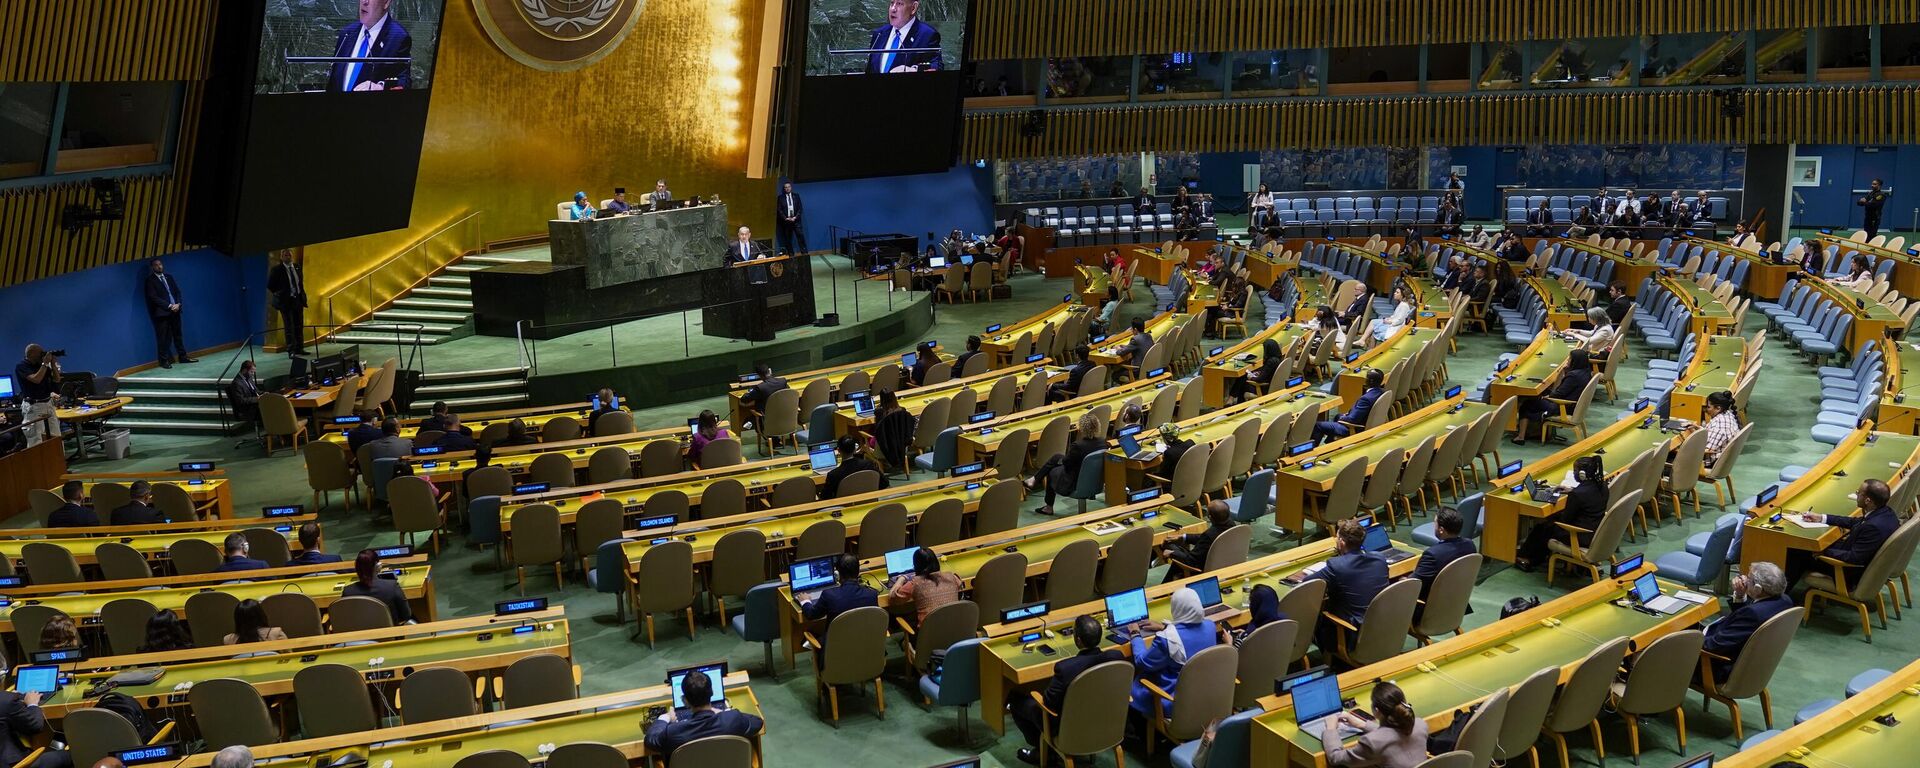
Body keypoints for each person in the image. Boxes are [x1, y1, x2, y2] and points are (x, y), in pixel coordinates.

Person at [1008, 614, 1124, 764]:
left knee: (1016, 700)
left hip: (1070, 731)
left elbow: (1048, 705)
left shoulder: (1066, 668)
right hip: (1106, 724)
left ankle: (1044, 751)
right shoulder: (1116, 657)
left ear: (1077, 640)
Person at [1127, 587, 1221, 719]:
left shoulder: (1166, 640)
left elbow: (1141, 662)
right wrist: (1165, 627)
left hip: (1174, 701)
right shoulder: (1211, 626)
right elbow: (1188, 632)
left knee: (1134, 683)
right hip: (1205, 694)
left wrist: (1135, 634)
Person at [1789, 478, 1899, 586]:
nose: (1856, 494)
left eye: (1859, 493)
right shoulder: (1886, 513)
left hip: (1846, 571)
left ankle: (1783, 594)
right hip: (1856, 554)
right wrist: (1821, 517)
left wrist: (1823, 551)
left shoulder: (1872, 527)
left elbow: (1854, 558)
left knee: (1797, 551)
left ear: (1867, 500)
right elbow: (1854, 522)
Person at [1306, 518, 1390, 659]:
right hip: (1382, 626)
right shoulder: (1380, 559)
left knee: (1317, 615)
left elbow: (1307, 583)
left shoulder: (1337, 566)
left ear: (1342, 542)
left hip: (1351, 634)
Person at [1699, 562, 1794, 681]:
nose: (1743, 580)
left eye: (1748, 579)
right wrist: (1740, 595)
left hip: (1715, 665)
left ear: (1758, 588)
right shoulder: (1785, 601)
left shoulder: (1753, 614)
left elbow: (1714, 646)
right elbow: (1744, 625)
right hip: (1746, 659)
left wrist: (1690, 642)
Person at [643, 666, 765, 758]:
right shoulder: (732, 719)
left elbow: (650, 740)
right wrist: (725, 712)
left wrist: (664, 718)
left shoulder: (673, 731)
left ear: (685, 701)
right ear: (712, 693)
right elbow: (757, 722)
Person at [1516, 455, 1608, 570]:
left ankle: (1527, 558)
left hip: (1579, 536)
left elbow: (1566, 520)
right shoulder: (1603, 486)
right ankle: (1537, 555)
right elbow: (1588, 497)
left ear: (1582, 474)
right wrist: (1572, 491)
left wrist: (1553, 516)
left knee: (1543, 527)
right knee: (1549, 524)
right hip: (1595, 531)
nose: (1574, 473)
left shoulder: (1578, 494)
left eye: (1575, 470)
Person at [1323, 682, 1429, 768]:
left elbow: (1336, 758)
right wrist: (1361, 724)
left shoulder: (1372, 742)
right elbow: (1391, 734)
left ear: (1376, 711)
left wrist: (1331, 729)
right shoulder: (1420, 724)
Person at [803, 554, 879, 668]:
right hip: (866, 653)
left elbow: (811, 615)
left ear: (837, 574)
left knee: (812, 637)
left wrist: (805, 602)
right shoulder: (872, 595)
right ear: (858, 572)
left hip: (835, 656)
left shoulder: (829, 595)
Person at [1027, 412, 1105, 515]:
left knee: (1051, 470)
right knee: (1056, 457)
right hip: (1095, 481)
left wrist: (1061, 462)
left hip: (1075, 482)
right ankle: (1034, 479)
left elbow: (1067, 464)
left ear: (1081, 428)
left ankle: (1048, 506)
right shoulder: (1103, 442)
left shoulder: (1077, 446)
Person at [1511, 348, 1593, 445]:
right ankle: (1532, 430)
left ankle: (1521, 437)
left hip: (1562, 407)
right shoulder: (1587, 372)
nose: (1568, 361)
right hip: (1574, 406)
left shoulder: (1573, 376)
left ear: (1575, 361)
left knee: (1527, 403)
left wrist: (1547, 396)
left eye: (1570, 359)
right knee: (1539, 397)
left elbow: (1558, 393)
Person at [328, 0, 409, 91]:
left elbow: (404, 82)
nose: (364, 1)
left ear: (386, 3)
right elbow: (333, 82)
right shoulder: (347, 33)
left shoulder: (398, 37)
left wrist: (381, 87)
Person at [0, 664, 69, 768]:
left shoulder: (6, 699)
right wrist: (32, 704)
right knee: (70, 755)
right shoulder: (6, 700)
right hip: (16, 764)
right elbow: (35, 726)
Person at [1412, 508, 1476, 613]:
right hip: (1457, 605)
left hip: (1431, 611)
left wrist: (1401, 580)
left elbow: (1413, 585)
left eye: (1435, 524)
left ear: (1441, 529)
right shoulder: (1470, 545)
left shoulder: (1432, 554)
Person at [888, 547, 964, 624]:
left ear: (916, 566)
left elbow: (893, 598)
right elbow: (961, 586)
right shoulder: (952, 577)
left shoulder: (915, 583)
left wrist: (902, 578)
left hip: (929, 633)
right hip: (955, 629)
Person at [1162, 501, 1233, 583]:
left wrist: (1171, 553)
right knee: (1177, 552)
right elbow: (1207, 538)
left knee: (1175, 557)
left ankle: (1162, 591)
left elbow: (1191, 561)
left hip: (1204, 567)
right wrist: (1184, 537)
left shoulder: (1209, 535)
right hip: (1226, 560)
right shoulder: (1231, 524)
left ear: (1209, 517)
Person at [865, 0, 941, 73]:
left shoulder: (927, 35)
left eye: (899, 3)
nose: (893, 9)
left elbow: (937, 68)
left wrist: (914, 70)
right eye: (892, 3)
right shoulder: (879, 34)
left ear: (913, 8)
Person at [1313, 368, 1386, 444]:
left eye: (1366, 378)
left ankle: (1313, 452)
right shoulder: (1381, 392)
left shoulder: (1366, 399)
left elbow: (1352, 420)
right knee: (1337, 416)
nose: (1365, 379)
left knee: (1318, 425)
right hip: (1364, 420)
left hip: (1354, 428)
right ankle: (1330, 443)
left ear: (1371, 381)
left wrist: (1344, 417)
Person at [143, 258, 192, 368]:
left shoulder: (169, 277)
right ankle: (163, 361)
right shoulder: (150, 281)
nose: (159, 266)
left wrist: (178, 304)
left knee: (178, 335)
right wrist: (169, 306)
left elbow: (177, 291)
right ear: (152, 267)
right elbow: (153, 297)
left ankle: (182, 357)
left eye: (160, 264)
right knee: (163, 338)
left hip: (176, 311)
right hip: (162, 314)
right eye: (156, 265)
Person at [342, 548, 414, 623]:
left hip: (359, 633)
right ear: (378, 566)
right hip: (390, 633)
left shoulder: (347, 592)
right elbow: (406, 615)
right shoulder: (391, 586)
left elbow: (344, 618)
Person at [14, 344, 62, 446]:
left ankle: (58, 460)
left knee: (56, 436)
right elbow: (36, 379)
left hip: (48, 403)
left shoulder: (41, 365)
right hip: (34, 406)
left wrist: (53, 364)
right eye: (40, 353)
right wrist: (44, 364)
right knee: (36, 438)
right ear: (31, 353)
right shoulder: (22, 366)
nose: (42, 354)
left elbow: (57, 379)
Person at [267, 250, 308, 355]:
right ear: (281, 257)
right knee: (289, 327)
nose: (288, 257)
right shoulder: (277, 270)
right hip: (285, 302)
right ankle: (291, 350)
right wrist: (281, 293)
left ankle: (300, 348)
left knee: (299, 325)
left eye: (289, 255)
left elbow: (300, 283)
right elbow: (270, 285)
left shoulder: (297, 267)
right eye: (285, 255)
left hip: (298, 300)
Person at [821, 435, 888, 499]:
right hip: (869, 503)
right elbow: (884, 483)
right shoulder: (869, 465)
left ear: (838, 450)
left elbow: (825, 497)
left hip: (844, 508)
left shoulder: (833, 475)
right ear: (855, 449)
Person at [1230, 338, 1285, 403]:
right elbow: (1267, 373)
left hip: (1263, 388)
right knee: (1244, 377)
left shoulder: (1271, 362)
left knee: (1243, 378)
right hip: (1271, 384)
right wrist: (1259, 373)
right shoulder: (1278, 358)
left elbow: (1259, 380)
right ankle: (1232, 398)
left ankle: (1235, 402)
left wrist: (1251, 377)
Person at [1696, 390, 1741, 467]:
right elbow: (1712, 433)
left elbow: (1706, 450)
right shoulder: (1728, 414)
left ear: (1718, 408)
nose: (1706, 409)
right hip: (1721, 459)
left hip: (1708, 462)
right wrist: (1698, 428)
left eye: (1708, 407)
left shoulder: (1719, 427)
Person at [227, 359, 262, 427]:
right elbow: (241, 401)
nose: (253, 374)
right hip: (247, 409)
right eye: (251, 372)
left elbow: (256, 391)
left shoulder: (248, 378)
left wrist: (265, 393)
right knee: (269, 409)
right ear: (244, 370)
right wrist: (257, 399)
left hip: (254, 405)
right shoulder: (236, 383)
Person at [776, 180, 807, 256]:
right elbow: (779, 210)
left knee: (800, 237)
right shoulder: (780, 198)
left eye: (788, 187)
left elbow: (800, 208)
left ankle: (804, 253)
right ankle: (791, 254)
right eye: (785, 187)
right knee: (788, 239)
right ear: (784, 189)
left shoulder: (796, 196)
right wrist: (785, 218)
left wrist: (796, 217)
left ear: (791, 188)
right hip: (786, 222)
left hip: (796, 221)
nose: (787, 188)